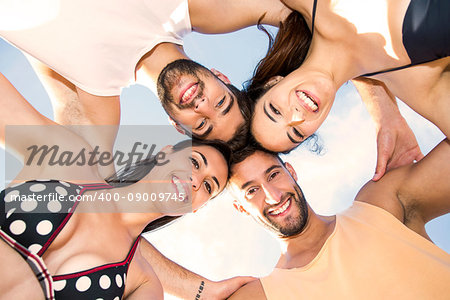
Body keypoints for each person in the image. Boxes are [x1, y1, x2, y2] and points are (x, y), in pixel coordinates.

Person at [0, 0, 422, 180]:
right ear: (221, 75)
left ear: (176, 125)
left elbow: (65, 169)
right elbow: (326, 26)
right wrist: (382, 105)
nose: (202, 104)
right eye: (222, 102)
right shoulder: (197, 9)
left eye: (201, 123)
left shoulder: (93, 96)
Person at [0, 72, 231, 299]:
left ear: (197, 208)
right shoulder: (68, 155)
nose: (195, 180)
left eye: (209, 187)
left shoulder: (144, 285)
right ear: (165, 153)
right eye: (194, 162)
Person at [226, 142, 450, 299]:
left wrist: (382, 107)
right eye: (252, 190)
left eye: (273, 175)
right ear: (240, 208)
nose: (273, 196)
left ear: (291, 172)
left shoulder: (380, 204)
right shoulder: (263, 295)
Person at [247, 0, 449, 155]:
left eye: (275, 110)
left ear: (273, 82)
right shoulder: (417, 82)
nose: (297, 116)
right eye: (297, 133)